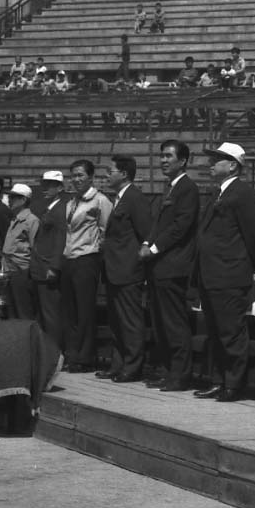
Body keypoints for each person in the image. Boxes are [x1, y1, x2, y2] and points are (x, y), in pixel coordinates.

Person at [193, 142, 255, 402]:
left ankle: (234, 383)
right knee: (215, 329)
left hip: (230, 274)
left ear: (233, 164)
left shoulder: (242, 193)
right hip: (212, 273)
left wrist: (244, 266)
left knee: (230, 330)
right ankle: (219, 379)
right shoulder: (218, 193)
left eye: (217, 159)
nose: (210, 164)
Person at [140, 139, 200, 392]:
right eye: (161, 156)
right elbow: (160, 224)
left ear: (183, 160)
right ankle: (167, 371)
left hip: (173, 266)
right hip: (159, 266)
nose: (163, 160)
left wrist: (153, 248)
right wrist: (146, 241)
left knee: (174, 323)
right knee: (161, 323)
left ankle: (180, 375)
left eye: (168, 156)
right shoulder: (170, 188)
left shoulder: (187, 188)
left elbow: (180, 226)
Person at [94, 156, 152, 383]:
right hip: (114, 269)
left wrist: (138, 261)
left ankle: (133, 366)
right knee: (116, 321)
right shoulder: (119, 198)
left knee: (130, 320)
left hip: (128, 270)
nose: (107, 175)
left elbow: (145, 233)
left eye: (111, 171)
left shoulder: (135, 198)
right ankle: (117, 364)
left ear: (124, 174)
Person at [60, 159, 112, 373]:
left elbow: (106, 230)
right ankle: (72, 354)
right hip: (69, 259)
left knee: (85, 310)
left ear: (90, 177)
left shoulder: (99, 200)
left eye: (81, 175)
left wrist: (95, 251)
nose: (76, 179)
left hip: (87, 258)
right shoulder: (71, 202)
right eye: (73, 175)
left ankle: (85, 356)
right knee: (70, 311)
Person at [29, 170, 69, 342]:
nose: (45, 188)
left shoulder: (61, 209)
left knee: (51, 313)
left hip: (48, 267)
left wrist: (54, 266)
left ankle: (55, 352)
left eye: (50, 185)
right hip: (40, 265)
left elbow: (61, 239)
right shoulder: (49, 207)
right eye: (44, 184)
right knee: (43, 314)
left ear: (60, 187)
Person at [0, 184, 40, 320]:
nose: (9, 200)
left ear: (23, 200)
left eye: (13, 197)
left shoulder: (31, 221)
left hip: (22, 270)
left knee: (23, 310)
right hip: (10, 270)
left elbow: (35, 248)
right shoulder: (14, 219)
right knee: (11, 310)